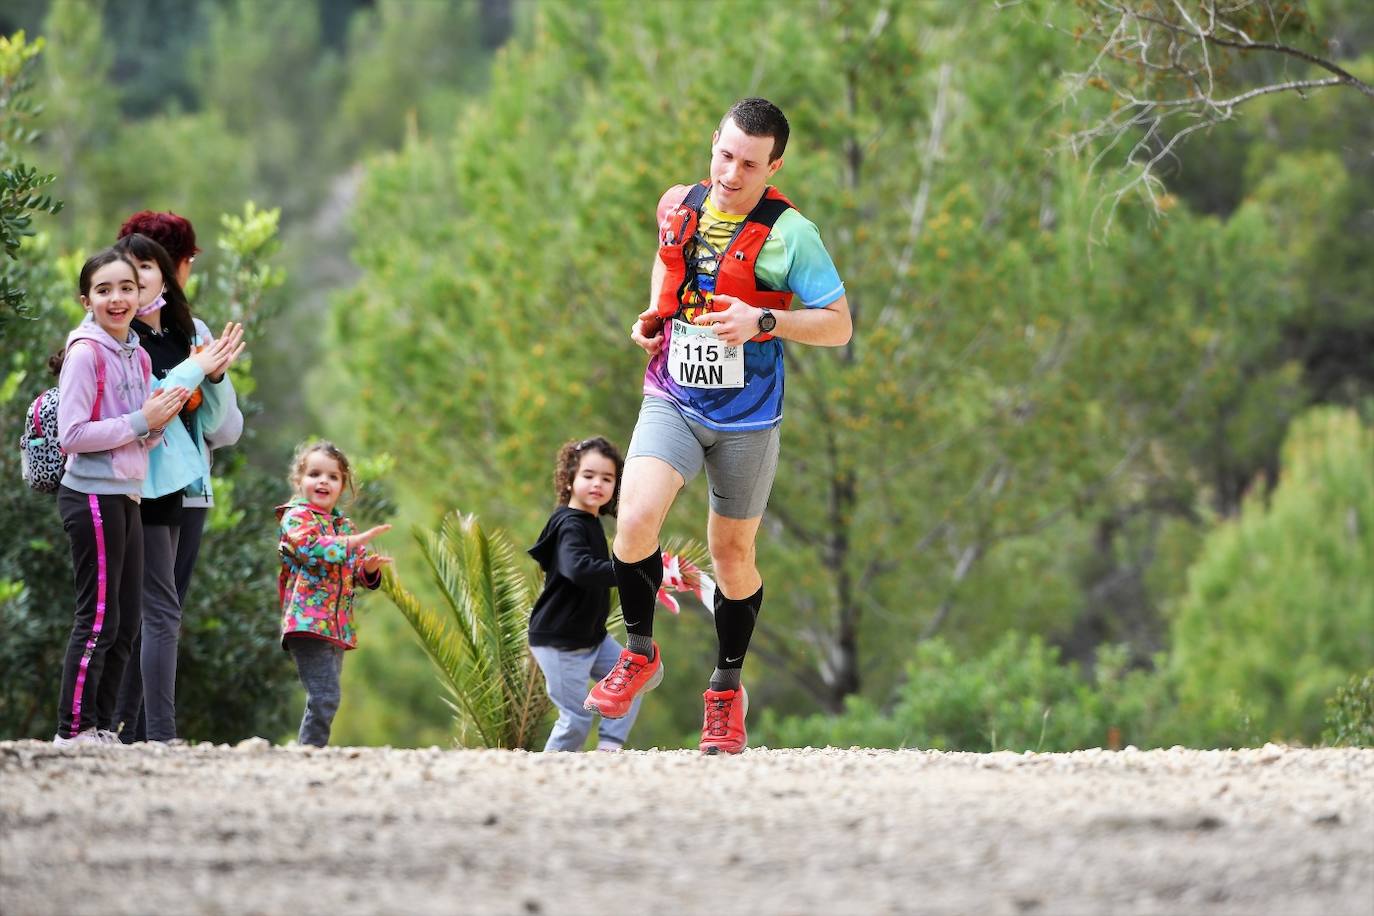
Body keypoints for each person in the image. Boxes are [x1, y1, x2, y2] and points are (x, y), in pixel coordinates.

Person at [583, 98, 852, 754]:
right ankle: (641, 652)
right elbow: (665, 259)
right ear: (713, 144)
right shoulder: (680, 202)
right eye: (725, 155)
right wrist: (654, 312)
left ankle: (727, 689)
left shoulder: (793, 235)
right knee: (635, 519)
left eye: (750, 163)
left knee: (732, 556)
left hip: (748, 418)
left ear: (774, 165)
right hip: (672, 396)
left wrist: (765, 321)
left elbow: (839, 325)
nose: (732, 173)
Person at [110, 212, 245, 744]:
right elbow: (224, 427)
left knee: (142, 612)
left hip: (146, 486)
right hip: (177, 487)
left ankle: (129, 731)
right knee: (160, 611)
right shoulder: (191, 333)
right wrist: (206, 373)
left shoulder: (161, 329)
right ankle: (140, 732)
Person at [52, 249, 189, 746]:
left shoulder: (139, 353)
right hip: (91, 494)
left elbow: (138, 434)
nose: (117, 299)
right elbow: (72, 434)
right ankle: (72, 730)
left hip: (127, 495)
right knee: (98, 620)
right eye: (104, 290)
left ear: (142, 294)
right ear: (86, 299)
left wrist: (156, 424)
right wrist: (140, 422)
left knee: (127, 621)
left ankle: (103, 728)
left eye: (126, 288)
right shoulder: (86, 353)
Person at [527, 437, 641, 752]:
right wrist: (631, 573)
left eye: (607, 478)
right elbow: (580, 569)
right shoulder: (568, 524)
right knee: (575, 718)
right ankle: (547, 779)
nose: (597, 484)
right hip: (561, 642)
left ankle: (608, 750)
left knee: (633, 676)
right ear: (569, 479)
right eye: (588, 475)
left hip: (592, 637)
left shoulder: (590, 522)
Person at [277, 441, 391, 747]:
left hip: (334, 626)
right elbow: (310, 550)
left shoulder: (344, 526)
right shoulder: (295, 518)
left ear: (343, 486)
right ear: (299, 481)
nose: (323, 481)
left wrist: (368, 568)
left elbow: (353, 572)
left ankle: (311, 751)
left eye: (332, 476)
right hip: (307, 623)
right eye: (314, 473)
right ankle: (310, 754)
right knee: (325, 696)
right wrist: (354, 542)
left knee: (325, 698)